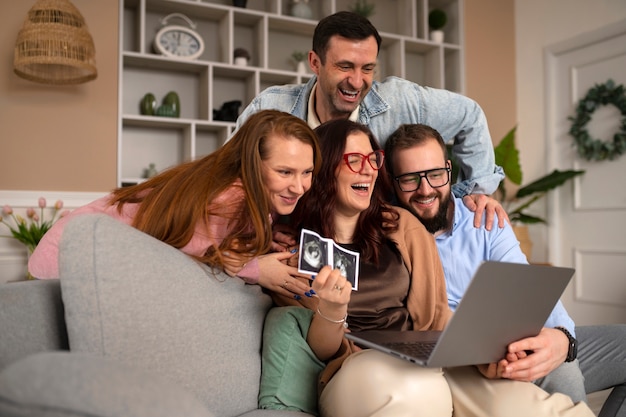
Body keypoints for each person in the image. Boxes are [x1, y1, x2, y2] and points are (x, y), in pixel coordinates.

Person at [264, 118, 593, 417]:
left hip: (430, 359)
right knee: (419, 392)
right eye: (353, 160)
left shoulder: (401, 225)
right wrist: (333, 310)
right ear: (323, 169)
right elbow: (322, 350)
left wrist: (483, 356)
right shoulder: (293, 250)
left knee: (543, 410)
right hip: (359, 364)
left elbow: (437, 315)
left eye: (372, 159)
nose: (367, 169)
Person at [384, 123, 626, 417]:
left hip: (527, 335)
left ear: (449, 169)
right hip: (478, 359)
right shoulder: (387, 236)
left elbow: (525, 286)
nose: (426, 190)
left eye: (435, 175)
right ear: (392, 180)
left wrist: (563, 338)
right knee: (561, 373)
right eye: (410, 179)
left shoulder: (483, 218)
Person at [233, 11, 507, 229]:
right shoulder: (270, 108)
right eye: (344, 66)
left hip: (375, 243)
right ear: (315, 63)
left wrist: (470, 194)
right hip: (295, 241)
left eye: (367, 69)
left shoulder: (402, 101)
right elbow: (230, 179)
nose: (356, 81)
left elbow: (469, 115)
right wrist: (263, 232)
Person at [28, 110, 319, 297]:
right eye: (285, 172)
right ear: (252, 165)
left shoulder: (244, 192)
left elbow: (218, 239)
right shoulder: (229, 196)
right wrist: (257, 269)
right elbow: (196, 256)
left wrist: (264, 239)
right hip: (66, 260)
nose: (299, 186)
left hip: (75, 250)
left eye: (307, 172)